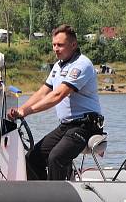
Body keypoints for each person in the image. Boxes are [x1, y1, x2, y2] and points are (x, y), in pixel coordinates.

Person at [7, 24, 104, 180]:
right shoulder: (58, 66)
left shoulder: (81, 64)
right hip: (66, 126)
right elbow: (43, 92)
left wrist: (27, 111)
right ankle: (42, 194)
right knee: (32, 158)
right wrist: (20, 110)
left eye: (60, 45)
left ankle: (56, 198)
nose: (56, 49)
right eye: (54, 45)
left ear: (73, 45)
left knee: (56, 158)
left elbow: (58, 95)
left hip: (86, 126)